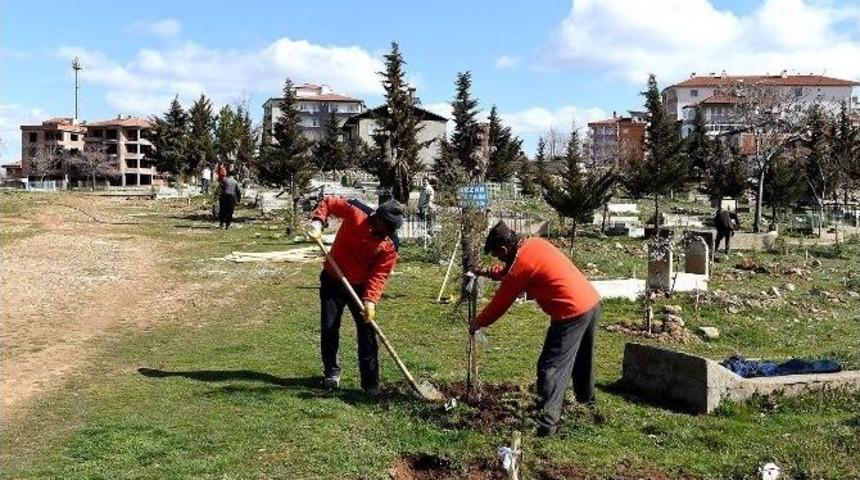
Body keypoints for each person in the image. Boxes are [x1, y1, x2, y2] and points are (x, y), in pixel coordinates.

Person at [470, 221, 602, 437]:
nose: (498, 259)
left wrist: (479, 322)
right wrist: (486, 272)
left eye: (497, 255)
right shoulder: (533, 245)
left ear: (504, 249)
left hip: (571, 312)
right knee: (581, 362)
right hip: (591, 302)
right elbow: (510, 272)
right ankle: (588, 409)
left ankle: (547, 425)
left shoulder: (521, 265)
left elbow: (501, 301)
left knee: (550, 368)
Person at [307, 197, 403, 397]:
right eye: (387, 227)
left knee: (367, 333)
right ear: (378, 219)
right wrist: (318, 220)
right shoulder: (357, 211)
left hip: (359, 288)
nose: (389, 233)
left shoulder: (390, 244)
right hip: (333, 278)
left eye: (392, 230)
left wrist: (370, 301)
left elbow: (379, 275)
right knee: (329, 326)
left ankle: (370, 383)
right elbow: (329, 203)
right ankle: (332, 373)